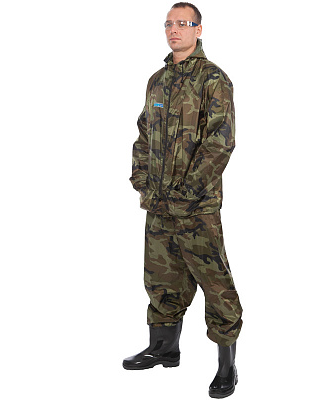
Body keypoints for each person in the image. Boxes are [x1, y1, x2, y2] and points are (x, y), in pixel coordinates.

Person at [123, 3, 243, 398]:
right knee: (161, 278)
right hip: (158, 204)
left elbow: (220, 142)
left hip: (196, 207)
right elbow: (144, 134)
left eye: (183, 23)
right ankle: (164, 349)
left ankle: (227, 366)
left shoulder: (213, 79)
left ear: (199, 29)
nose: (174, 30)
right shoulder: (157, 81)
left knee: (215, 282)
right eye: (169, 24)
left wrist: (189, 190)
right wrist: (142, 180)